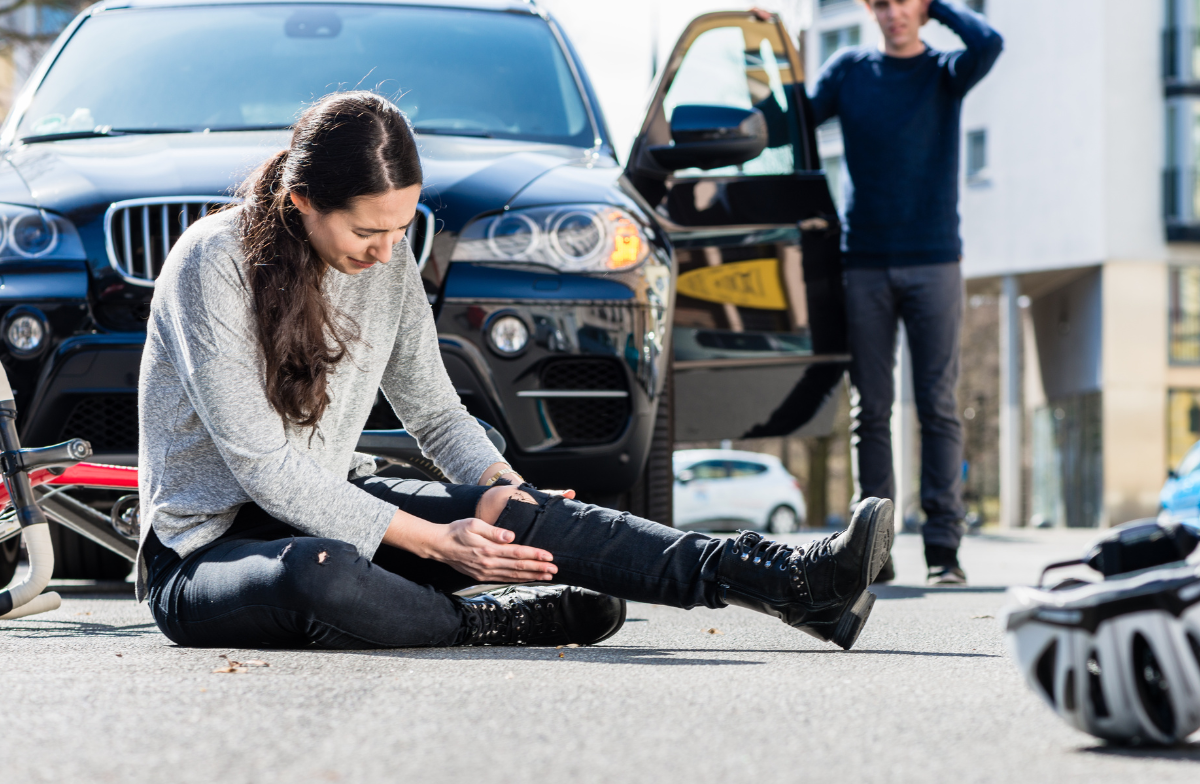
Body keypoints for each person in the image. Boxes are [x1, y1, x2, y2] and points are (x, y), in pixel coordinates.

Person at [136, 90, 895, 651]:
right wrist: (437, 543)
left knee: (508, 510)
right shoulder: (213, 263)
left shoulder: (387, 255)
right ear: (302, 199)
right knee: (320, 571)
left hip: (328, 502)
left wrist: (508, 490)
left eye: (402, 227)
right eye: (368, 230)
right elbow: (264, 469)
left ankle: (787, 582)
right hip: (206, 556)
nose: (385, 248)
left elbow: (434, 413)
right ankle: (484, 620)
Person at [809, 0, 1003, 586]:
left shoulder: (945, 73)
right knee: (872, 411)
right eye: (882, 5)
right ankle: (875, 548)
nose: (893, 14)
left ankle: (944, 550)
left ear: (918, 1)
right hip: (863, 261)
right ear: (871, 12)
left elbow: (989, 42)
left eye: (902, 0)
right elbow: (796, 116)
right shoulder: (851, 72)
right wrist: (771, 44)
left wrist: (939, 3)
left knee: (940, 407)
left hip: (935, 261)